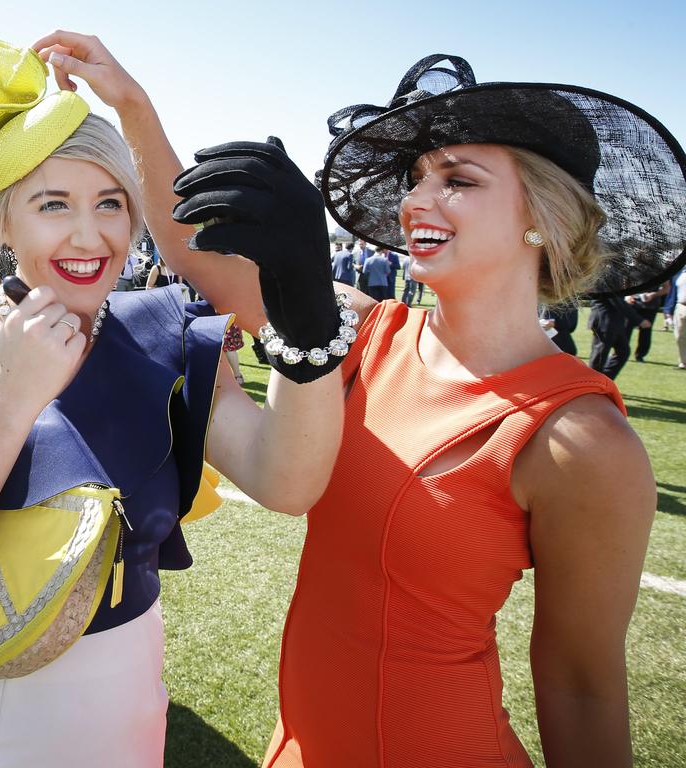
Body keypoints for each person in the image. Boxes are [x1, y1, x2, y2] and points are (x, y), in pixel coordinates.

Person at [153, 53, 683, 766]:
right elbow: (203, 262)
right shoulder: (364, 333)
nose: (414, 202)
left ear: (542, 218)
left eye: (458, 181)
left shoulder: (582, 439)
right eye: (415, 180)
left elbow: (581, 685)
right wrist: (128, 102)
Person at [0, 34, 344, 767]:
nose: (90, 234)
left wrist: (306, 315)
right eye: (53, 204)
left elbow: (288, 482)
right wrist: (11, 398)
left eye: (111, 203)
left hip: (126, 722)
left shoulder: (167, 331)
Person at [588, 295, 647, 379]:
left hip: (615, 322)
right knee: (599, 356)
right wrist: (639, 320)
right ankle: (592, 383)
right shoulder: (605, 282)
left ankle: (603, 380)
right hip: (604, 321)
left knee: (623, 352)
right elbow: (616, 301)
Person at [626, 280, 670, 362]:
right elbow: (625, 281)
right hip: (632, 303)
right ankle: (621, 353)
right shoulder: (631, 267)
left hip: (651, 305)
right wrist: (628, 295)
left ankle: (640, 356)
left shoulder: (660, 269)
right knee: (626, 329)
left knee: (646, 331)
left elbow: (666, 288)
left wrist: (653, 294)